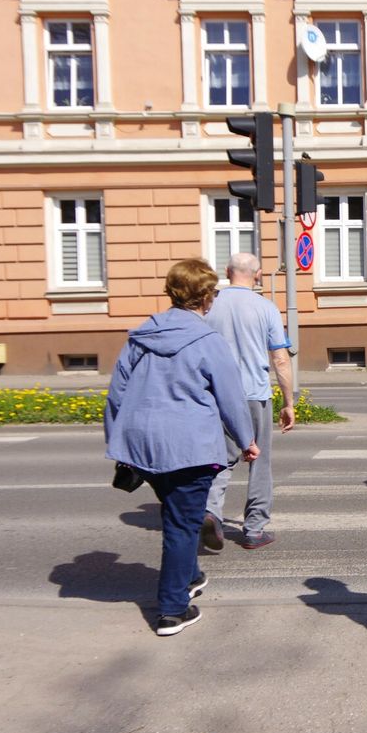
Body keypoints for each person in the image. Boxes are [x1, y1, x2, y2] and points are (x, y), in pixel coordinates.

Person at [105, 259, 260, 636]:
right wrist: (247, 440)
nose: (214, 298)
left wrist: (118, 443)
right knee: (181, 524)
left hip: (145, 447)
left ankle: (190, 575)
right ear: (205, 297)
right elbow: (231, 397)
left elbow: (116, 394)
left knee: (178, 515)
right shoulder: (208, 341)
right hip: (190, 446)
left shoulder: (141, 336)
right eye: (214, 293)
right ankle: (172, 610)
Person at [202, 252, 295, 551]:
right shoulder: (266, 307)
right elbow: (280, 359)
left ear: (227, 272)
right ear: (257, 275)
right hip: (255, 394)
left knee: (221, 459)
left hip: (217, 394)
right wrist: (288, 402)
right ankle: (254, 530)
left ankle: (210, 512)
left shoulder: (209, 305)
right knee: (259, 462)